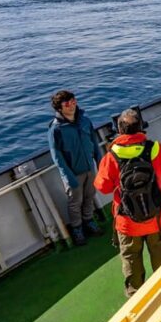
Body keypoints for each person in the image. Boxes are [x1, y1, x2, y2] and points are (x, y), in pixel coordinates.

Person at [94, 109, 161, 297]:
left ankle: (135, 295)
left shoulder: (111, 157)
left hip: (128, 221)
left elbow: (103, 187)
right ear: (141, 127)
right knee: (160, 255)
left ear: (119, 130)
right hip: (157, 218)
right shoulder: (156, 149)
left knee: (131, 258)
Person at [47, 90, 104, 246]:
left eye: (73, 101)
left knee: (89, 196)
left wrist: (100, 162)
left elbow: (94, 142)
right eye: (67, 104)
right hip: (73, 173)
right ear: (59, 108)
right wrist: (68, 176)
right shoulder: (55, 129)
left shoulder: (85, 121)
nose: (71, 106)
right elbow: (57, 156)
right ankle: (77, 228)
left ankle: (89, 221)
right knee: (74, 201)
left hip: (89, 169)